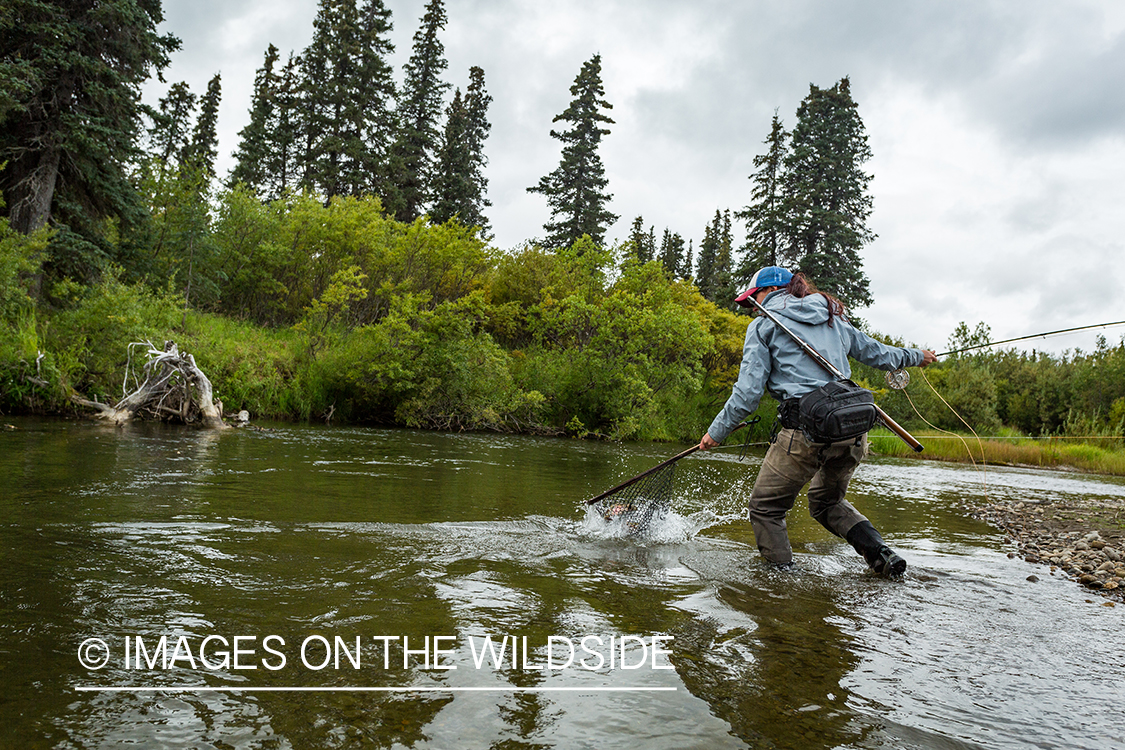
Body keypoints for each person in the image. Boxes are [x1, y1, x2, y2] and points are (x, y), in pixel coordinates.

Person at [699, 266, 937, 575]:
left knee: (766, 508)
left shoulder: (763, 327)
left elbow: (747, 394)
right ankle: (882, 556)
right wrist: (917, 355)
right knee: (826, 503)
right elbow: (878, 353)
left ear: (769, 292)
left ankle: (782, 584)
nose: (751, 309)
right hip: (852, 430)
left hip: (804, 432)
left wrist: (716, 433)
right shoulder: (832, 317)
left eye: (753, 299)